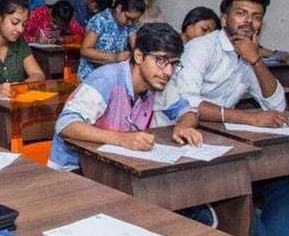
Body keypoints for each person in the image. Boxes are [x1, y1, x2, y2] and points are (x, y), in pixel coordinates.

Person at [161, 0, 289, 236]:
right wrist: (249, 117)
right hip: (181, 135)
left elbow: (276, 105)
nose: (248, 21)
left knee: (286, 180)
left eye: (256, 17)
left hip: (224, 141)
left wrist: (256, 60)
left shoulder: (248, 54)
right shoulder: (201, 47)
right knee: (236, 183)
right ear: (225, 19)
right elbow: (188, 101)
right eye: (241, 13)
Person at [50, 23, 199, 170]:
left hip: (116, 166)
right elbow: (65, 125)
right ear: (139, 56)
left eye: (174, 64)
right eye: (161, 61)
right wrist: (122, 139)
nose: (169, 72)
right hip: (75, 169)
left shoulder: (158, 82)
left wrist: (183, 127)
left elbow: (188, 112)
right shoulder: (107, 79)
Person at [78, 0, 145, 81]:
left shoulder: (129, 25)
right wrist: (114, 57)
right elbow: (85, 51)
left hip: (112, 76)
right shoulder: (100, 20)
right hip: (91, 77)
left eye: (134, 20)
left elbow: (135, 47)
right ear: (119, 8)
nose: (130, 23)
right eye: (128, 18)